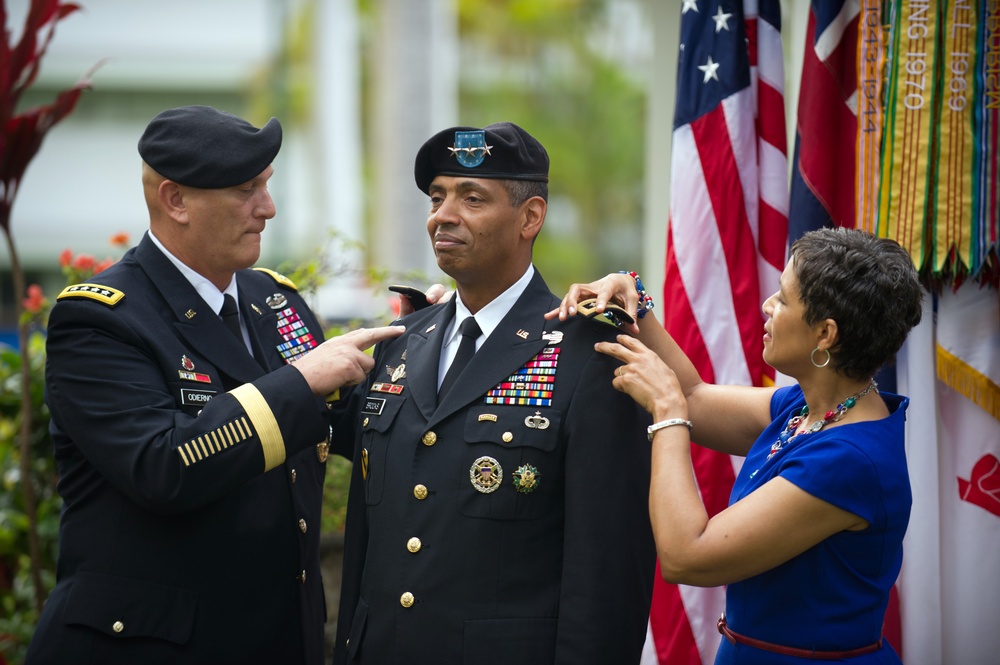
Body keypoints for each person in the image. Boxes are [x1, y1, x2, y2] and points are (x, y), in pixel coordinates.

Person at [27, 105, 403, 665]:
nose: (267, 209)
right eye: (246, 189)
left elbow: (356, 420)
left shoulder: (274, 302)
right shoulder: (101, 320)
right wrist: (300, 381)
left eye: (267, 185)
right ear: (175, 200)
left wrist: (449, 335)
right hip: (146, 647)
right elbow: (163, 466)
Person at [332, 122, 656, 664]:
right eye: (437, 198)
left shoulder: (589, 352)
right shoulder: (400, 343)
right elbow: (368, 544)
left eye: (471, 198)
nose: (442, 215)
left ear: (530, 217)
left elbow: (606, 574)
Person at [551, 227, 924, 664]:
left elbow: (686, 556)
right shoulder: (814, 408)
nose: (768, 305)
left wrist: (666, 414)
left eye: (783, 299)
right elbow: (696, 397)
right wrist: (633, 303)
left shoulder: (849, 460)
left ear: (825, 334)